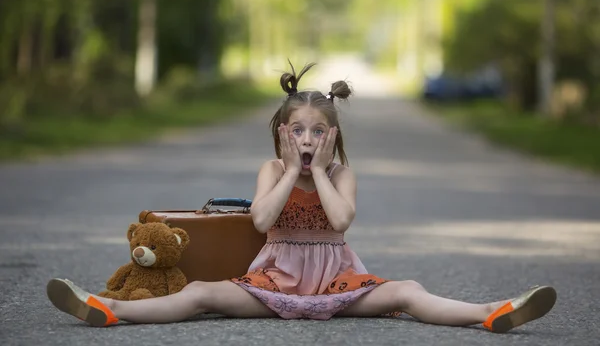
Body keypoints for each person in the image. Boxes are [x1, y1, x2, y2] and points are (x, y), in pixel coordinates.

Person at [46, 62, 557, 332]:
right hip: (273, 284)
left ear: (331, 137)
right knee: (200, 294)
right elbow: (263, 221)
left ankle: (493, 310)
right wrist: (291, 172)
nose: (308, 141)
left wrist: (323, 173)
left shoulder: (344, 174)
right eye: (298, 131)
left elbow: (340, 222)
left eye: (318, 132)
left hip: (336, 286)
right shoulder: (272, 168)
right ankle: (107, 309)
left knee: (408, 290)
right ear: (282, 134)